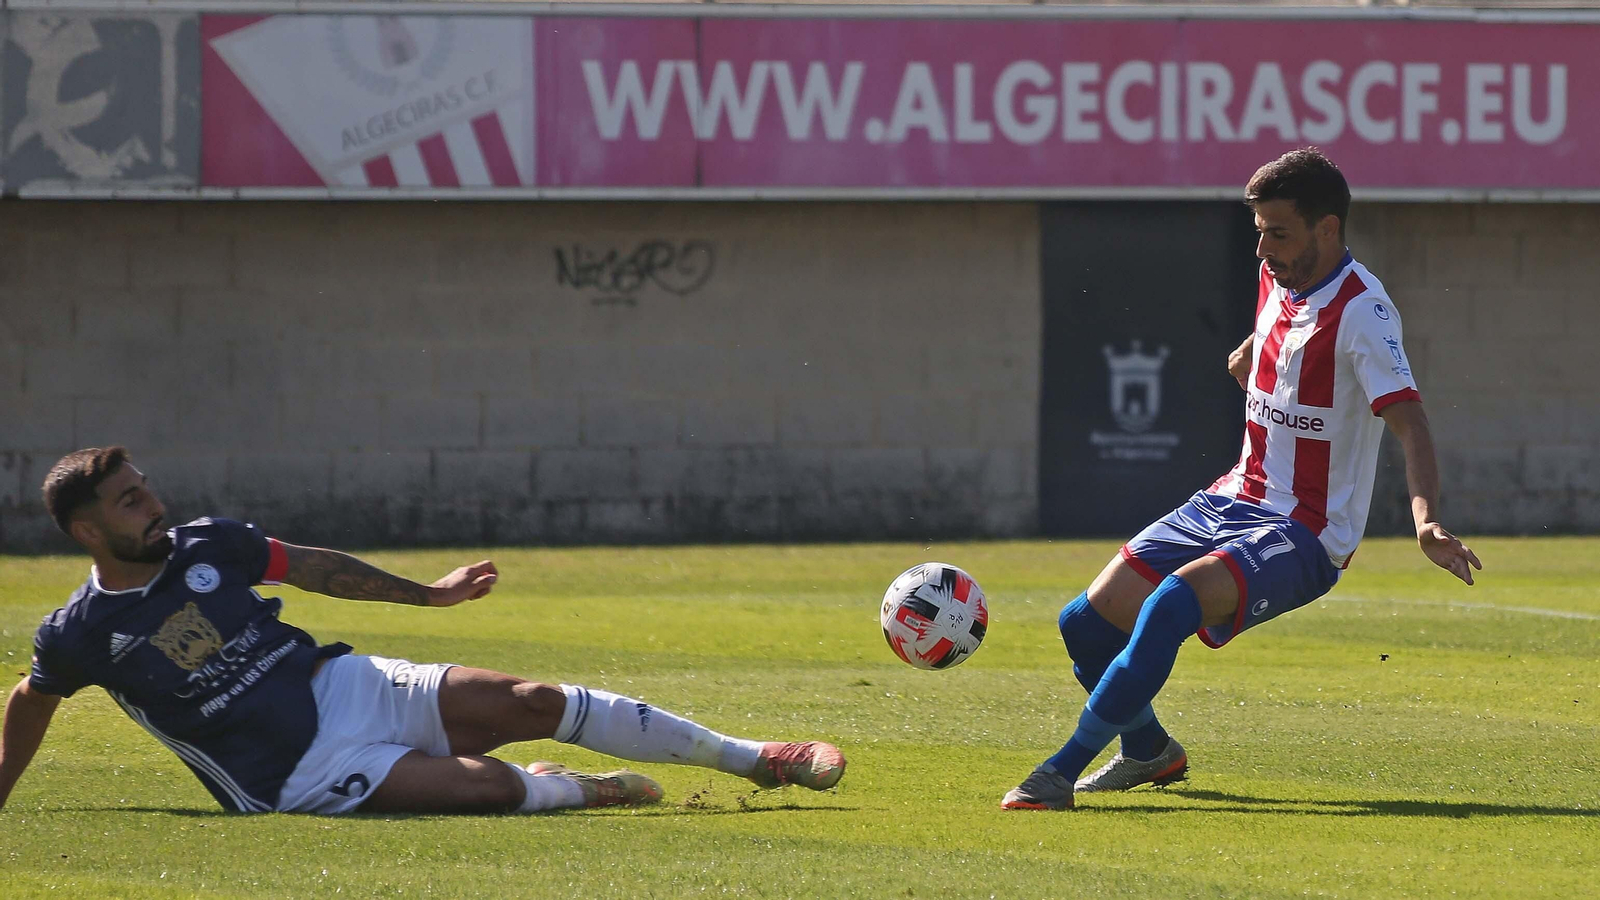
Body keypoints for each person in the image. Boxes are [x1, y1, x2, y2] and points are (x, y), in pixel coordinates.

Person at [1002, 148, 1483, 811]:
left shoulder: (1365, 314)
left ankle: (1057, 775)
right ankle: (1149, 752)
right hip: (1235, 495)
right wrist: (1253, 357)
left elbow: (1411, 422)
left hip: (1307, 528)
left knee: (1170, 604)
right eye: (1258, 232)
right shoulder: (1278, 280)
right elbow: (1280, 339)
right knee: (1084, 622)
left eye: (1278, 233)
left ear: (1327, 229)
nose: (1264, 249)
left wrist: (1426, 521)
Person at [0, 446, 845, 815]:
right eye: (130, 502)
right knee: (483, 788)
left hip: (346, 685)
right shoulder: (78, 634)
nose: (154, 507)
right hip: (297, 774)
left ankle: (760, 759)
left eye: (146, 489)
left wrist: (429, 598)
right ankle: (585, 790)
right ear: (86, 531)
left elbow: (316, 567)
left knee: (531, 695)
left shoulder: (207, 545)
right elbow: (32, 700)